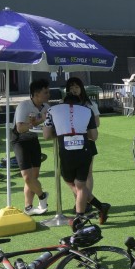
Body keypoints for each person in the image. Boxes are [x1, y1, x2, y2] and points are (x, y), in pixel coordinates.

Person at [43, 85, 98, 216]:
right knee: (81, 185)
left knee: (72, 183)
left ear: (63, 102)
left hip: (66, 153)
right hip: (84, 151)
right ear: (78, 102)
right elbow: (94, 136)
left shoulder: (52, 110)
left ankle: (91, 210)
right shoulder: (87, 110)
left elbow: (46, 136)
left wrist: (61, 132)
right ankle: (82, 216)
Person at [65, 77, 111, 223]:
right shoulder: (64, 105)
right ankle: (82, 201)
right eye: (71, 87)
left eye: (76, 86)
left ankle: (85, 203)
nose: (74, 89)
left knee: (87, 174)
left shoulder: (89, 104)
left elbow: (97, 123)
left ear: (81, 88)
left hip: (87, 142)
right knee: (73, 178)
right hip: (69, 144)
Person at [13, 78, 50, 215]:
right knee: (27, 178)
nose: (48, 95)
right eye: (45, 92)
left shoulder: (46, 107)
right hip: (19, 141)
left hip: (33, 140)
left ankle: (28, 207)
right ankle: (42, 196)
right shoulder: (24, 105)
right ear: (36, 94)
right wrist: (40, 120)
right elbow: (20, 128)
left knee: (34, 176)